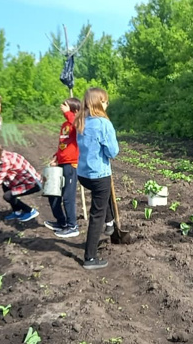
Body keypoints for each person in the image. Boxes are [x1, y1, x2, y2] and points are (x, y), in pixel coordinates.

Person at [74, 87, 119, 270]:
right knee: (96, 214)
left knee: (103, 196)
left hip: (83, 174)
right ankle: (90, 258)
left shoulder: (81, 121)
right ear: (99, 102)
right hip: (99, 174)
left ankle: (110, 223)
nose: (107, 104)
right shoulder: (103, 123)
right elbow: (113, 152)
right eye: (105, 101)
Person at [43, 98, 82, 238]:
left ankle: (73, 226)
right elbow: (63, 144)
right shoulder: (65, 124)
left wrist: (69, 114)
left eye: (65, 106)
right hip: (61, 163)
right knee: (53, 194)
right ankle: (62, 222)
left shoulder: (76, 122)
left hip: (71, 164)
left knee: (67, 197)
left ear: (75, 110)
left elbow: (79, 126)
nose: (62, 108)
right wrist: (56, 157)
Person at [0, 144, 42, 223]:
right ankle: (17, 212)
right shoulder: (7, 155)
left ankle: (30, 211)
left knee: (7, 196)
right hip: (25, 180)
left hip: (33, 183)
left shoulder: (6, 161)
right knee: (6, 184)